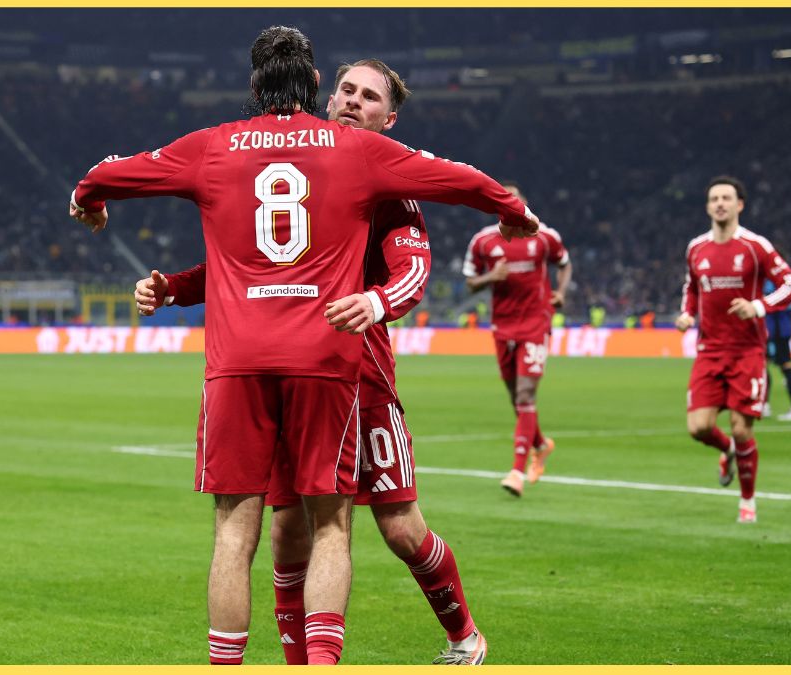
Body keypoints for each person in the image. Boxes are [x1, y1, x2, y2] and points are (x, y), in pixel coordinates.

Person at [70, 27, 538, 665]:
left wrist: (377, 302)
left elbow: (414, 272)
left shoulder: (375, 172)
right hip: (320, 366)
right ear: (323, 90)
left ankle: (463, 634)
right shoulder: (346, 157)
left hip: (359, 372)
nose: (353, 101)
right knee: (293, 527)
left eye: (369, 97)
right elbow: (252, 264)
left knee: (397, 527)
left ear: (389, 118)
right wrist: (176, 287)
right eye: (347, 90)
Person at [675, 176, 791, 523]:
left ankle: (747, 502)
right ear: (707, 207)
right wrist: (687, 314)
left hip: (747, 351)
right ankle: (729, 450)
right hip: (708, 351)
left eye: (726, 198)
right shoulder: (696, 248)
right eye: (714, 198)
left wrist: (758, 306)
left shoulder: (755, 246)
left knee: (742, 428)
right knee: (698, 427)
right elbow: (691, 288)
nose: (720, 203)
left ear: (739, 205)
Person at [463, 190, 571, 496]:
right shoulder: (482, 241)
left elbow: (564, 263)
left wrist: (561, 293)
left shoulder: (545, 236)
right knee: (516, 398)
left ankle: (516, 471)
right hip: (503, 326)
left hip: (536, 322)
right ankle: (541, 444)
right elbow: (470, 282)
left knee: (525, 394)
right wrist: (490, 277)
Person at [763, 278, 791, 421]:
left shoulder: (772, 282)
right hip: (780, 329)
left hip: (775, 331)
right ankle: (765, 405)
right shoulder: (786, 281)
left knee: (783, 367)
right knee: (765, 366)